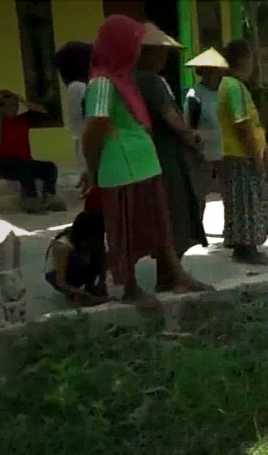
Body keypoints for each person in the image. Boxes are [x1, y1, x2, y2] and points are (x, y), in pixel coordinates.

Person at [83, 14, 209, 305]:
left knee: (144, 227)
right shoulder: (108, 82)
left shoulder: (114, 81)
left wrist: (91, 167)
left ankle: (156, 281)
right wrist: (91, 169)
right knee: (141, 227)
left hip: (133, 164)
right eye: (134, 43)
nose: (138, 49)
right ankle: (137, 286)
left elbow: (98, 128)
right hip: (128, 164)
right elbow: (95, 128)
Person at [135, 23, 209, 291]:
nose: (165, 59)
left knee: (165, 215)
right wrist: (193, 141)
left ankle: (168, 276)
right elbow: (172, 118)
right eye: (161, 52)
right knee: (176, 214)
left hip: (150, 155)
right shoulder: (150, 81)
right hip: (166, 156)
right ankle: (173, 278)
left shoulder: (129, 79)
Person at [217, 39, 268, 265]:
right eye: (251, 59)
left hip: (239, 153)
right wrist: (257, 157)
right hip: (240, 155)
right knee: (247, 203)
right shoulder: (233, 86)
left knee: (241, 201)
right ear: (243, 60)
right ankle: (247, 249)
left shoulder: (232, 86)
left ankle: (243, 247)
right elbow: (242, 125)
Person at [0, 90, 66, 213]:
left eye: (14, 106)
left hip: (25, 161)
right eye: (8, 106)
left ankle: (49, 198)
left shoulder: (23, 119)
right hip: (3, 164)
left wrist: (22, 100)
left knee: (50, 167)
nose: (12, 109)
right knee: (25, 168)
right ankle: (30, 201)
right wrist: (0, 99)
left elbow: (43, 112)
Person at [53, 41, 102, 214]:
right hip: (90, 140)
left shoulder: (77, 87)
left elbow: (78, 120)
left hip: (85, 140)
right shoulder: (84, 86)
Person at [184, 47, 227, 207]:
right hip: (203, 151)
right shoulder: (195, 94)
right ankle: (198, 228)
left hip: (225, 150)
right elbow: (190, 125)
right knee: (200, 194)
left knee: (228, 192)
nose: (217, 75)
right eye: (213, 71)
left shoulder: (225, 91)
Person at [45, 211, 109, 306]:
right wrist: (79, 293)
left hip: (82, 270)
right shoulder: (62, 245)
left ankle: (89, 286)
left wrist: (101, 282)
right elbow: (60, 281)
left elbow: (102, 258)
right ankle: (74, 294)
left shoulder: (96, 242)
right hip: (59, 275)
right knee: (77, 258)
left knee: (99, 250)